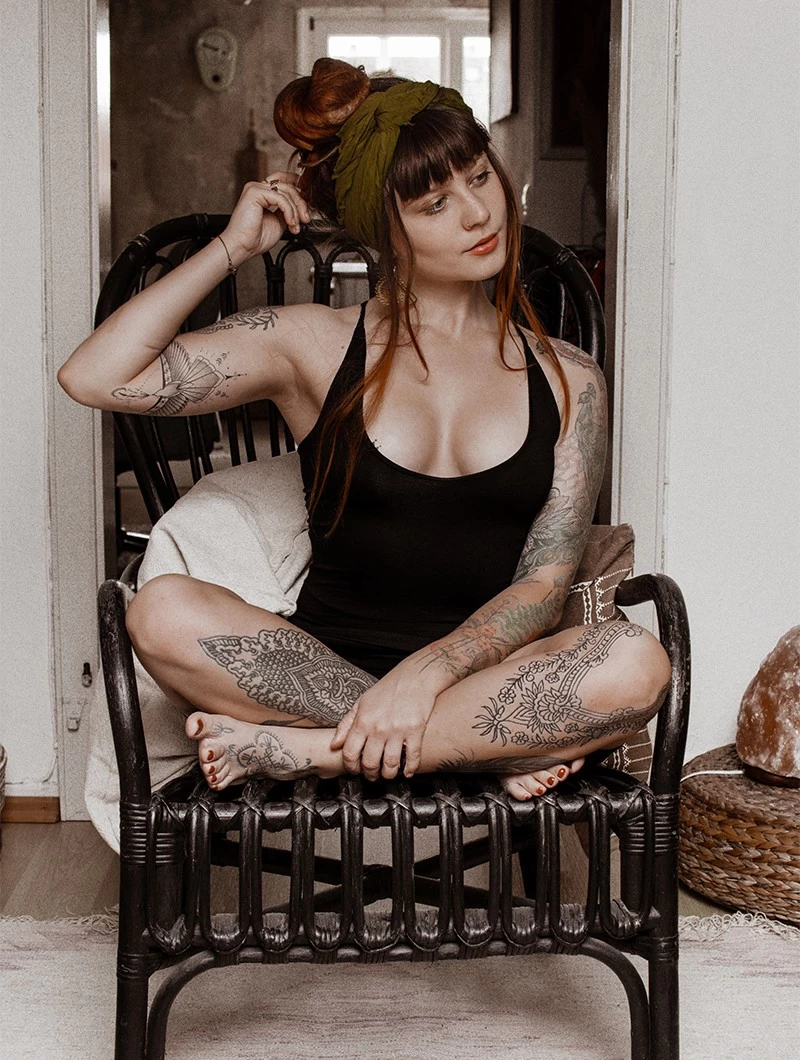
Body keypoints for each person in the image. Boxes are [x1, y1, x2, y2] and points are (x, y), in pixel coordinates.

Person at [58, 59, 671, 800]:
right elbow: (95, 376)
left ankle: (322, 753)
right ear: (385, 231)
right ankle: (475, 751)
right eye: (435, 204)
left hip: (488, 678)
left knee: (638, 661)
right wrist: (232, 248)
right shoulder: (312, 345)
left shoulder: (571, 377)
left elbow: (545, 582)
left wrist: (425, 674)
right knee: (159, 609)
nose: (478, 214)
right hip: (316, 669)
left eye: (480, 177)